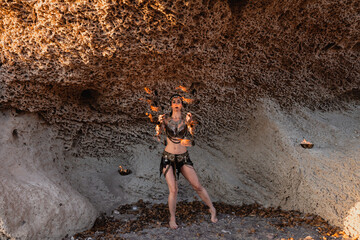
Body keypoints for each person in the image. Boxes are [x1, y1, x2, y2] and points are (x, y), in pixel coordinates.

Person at [155, 94, 218, 229]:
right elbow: (158, 133)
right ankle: (172, 218)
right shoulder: (165, 119)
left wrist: (190, 123)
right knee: (173, 189)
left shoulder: (186, 118)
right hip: (168, 157)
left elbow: (192, 134)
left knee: (197, 186)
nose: (177, 103)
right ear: (171, 104)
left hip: (183, 158)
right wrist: (158, 123)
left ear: (182, 104)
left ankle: (212, 209)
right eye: (174, 101)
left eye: (179, 101)